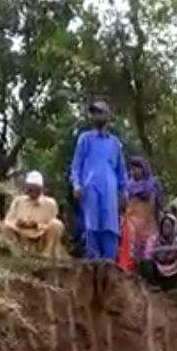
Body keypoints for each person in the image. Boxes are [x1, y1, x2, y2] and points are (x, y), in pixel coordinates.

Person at [69, 101, 127, 261]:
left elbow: (121, 171)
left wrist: (124, 192)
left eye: (100, 112)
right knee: (91, 226)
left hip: (110, 190)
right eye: (94, 113)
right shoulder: (85, 139)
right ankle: (92, 264)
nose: (97, 116)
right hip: (90, 189)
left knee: (110, 228)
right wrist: (76, 185)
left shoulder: (114, 143)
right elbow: (76, 165)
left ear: (107, 116)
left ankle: (109, 266)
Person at [0, 171, 65, 260]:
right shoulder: (18, 201)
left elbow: (52, 225)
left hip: (41, 238)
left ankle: (46, 255)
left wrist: (36, 225)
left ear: (41, 189)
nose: (32, 191)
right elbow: (8, 220)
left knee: (57, 224)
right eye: (30, 189)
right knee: (4, 227)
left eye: (35, 189)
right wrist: (19, 223)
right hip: (22, 236)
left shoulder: (50, 203)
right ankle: (18, 254)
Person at [118, 155, 165, 272]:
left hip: (149, 225)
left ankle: (148, 280)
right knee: (130, 253)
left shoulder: (153, 185)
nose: (134, 172)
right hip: (132, 224)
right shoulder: (128, 187)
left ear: (144, 169)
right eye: (132, 169)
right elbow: (123, 206)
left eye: (137, 168)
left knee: (148, 253)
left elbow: (160, 204)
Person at [138, 213, 177, 290]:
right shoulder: (154, 239)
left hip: (171, 267)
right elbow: (147, 253)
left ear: (173, 227)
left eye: (168, 226)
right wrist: (162, 250)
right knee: (145, 264)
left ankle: (168, 287)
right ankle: (152, 284)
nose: (166, 229)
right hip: (157, 267)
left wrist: (173, 249)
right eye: (164, 226)